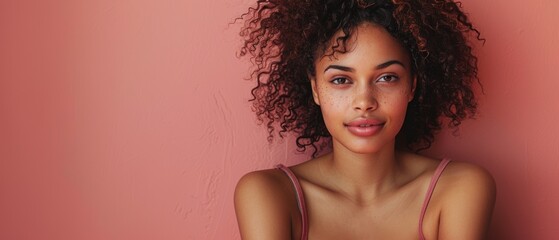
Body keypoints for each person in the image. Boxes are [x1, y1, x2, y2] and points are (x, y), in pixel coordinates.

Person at [234, 0, 496, 239]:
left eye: (387, 77)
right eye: (341, 80)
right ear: (315, 89)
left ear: (412, 86)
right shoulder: (270, 194)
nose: (364, 102)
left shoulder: (459, 188)